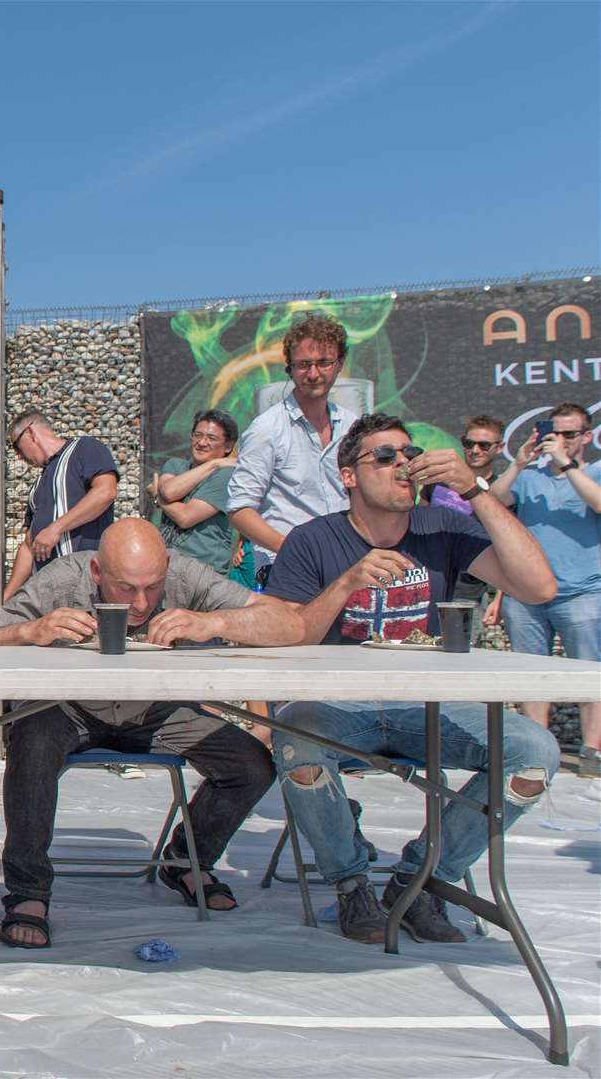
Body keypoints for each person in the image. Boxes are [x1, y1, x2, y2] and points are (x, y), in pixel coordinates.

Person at [264, 413, 560, 944]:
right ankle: (351, 883)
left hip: (426, 705)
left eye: (409, 452)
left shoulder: (444, 528)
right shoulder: (313, 540)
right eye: (384, 456)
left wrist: (477, 492)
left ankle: (423, 881)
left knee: (535, 750)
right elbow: (287, 632)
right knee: (296, 741)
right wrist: (346, 583)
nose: (403, 463)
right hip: (339, 705)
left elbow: (538, 588)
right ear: (349, 475)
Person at [0, 519, 302, 947]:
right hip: (68, 706)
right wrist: (28, 631)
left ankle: (186, 861)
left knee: (251, 765)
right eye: (125, 589)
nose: (142, 603)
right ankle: (27, 891)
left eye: (154, 586)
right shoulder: (64, 577)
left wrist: (214, 623)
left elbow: (288, 624)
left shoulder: (186, 573)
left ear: (167, 566)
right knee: (30, 743)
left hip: (155, 709)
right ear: (96, 573)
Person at [488, 402, 601, 776]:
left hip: (582, 592)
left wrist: (567, 467)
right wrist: (518, 463)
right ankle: (537, 751)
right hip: (528, 596)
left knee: (590, 675)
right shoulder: (530, 477)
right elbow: (493, 502)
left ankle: (591, 752)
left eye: (570, 434)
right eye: (556, 433)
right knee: (531, 677)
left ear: (586, 436)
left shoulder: (596, 472)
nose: (561, 440)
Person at [226, 313, 361, 580]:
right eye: (303, 365)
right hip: (288, 569)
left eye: (324, 363)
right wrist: (294, 550)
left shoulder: (352, 427)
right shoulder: (268, 428)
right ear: (289, 368)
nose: (313, 373)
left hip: (347, 566)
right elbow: (239, 509)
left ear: (339, 364)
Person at [3, 412, 118, 602]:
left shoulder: (83, 448)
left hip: (87, 583)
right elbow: (28, 545)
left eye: (16, 445)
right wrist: (7, 596)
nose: (18, 455)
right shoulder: (38, 485)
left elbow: (106, 492)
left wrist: (55, 529)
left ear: (30, 432)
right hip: (49, 591)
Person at [420, 414, 507, 644]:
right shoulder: (436, 481)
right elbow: (415, 525)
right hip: (428, 580)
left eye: (484, 445)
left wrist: (500, 598)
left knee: (458, 657)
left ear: (500, 448)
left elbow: (505, 547)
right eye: (469, 443)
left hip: (468, 591)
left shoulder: (501, 492)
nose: (475, 450)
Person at [151, 409, 244, 576]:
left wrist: (157, 497)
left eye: (211, 438)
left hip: (204, 573)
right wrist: (214, 463)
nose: (202, 442)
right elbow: (169, 492)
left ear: (228, 446)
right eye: (197, 435)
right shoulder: (175, 465)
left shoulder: (226, 476)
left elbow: (186, 518)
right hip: (165, 567)